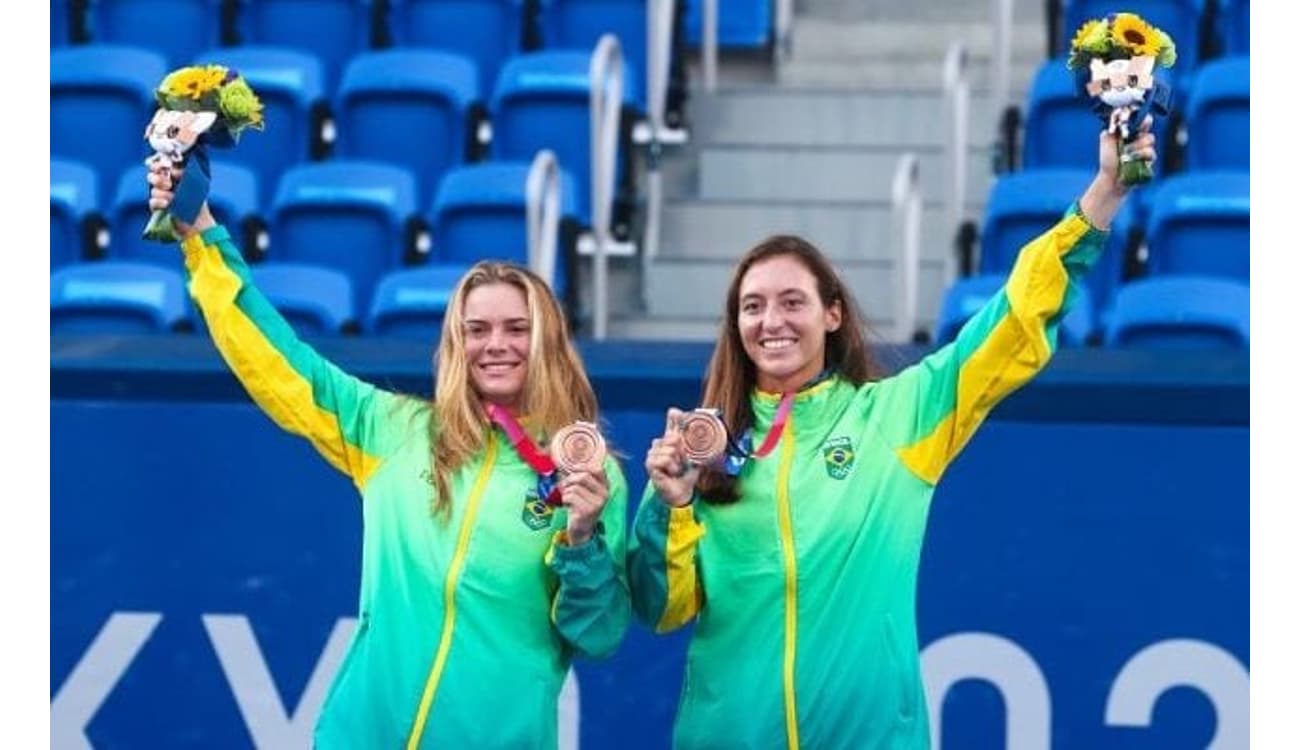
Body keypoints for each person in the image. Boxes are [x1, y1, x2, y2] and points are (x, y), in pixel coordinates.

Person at [628, 122, 1158, 748]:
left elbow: (1013, 319)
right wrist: (672, 505)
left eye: (792, 302)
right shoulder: (702, 448)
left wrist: (1102, 196)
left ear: (832, 314)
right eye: (753, 306)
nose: (771, 321)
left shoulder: (900, 415)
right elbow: (662, 608)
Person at [146, 163, 630, 748]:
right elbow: (280, 358)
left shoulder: (588, 473)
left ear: (547, 338)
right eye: (475, 330)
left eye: (516, 328)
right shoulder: (394, 430)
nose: (495, 345)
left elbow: (599, 635)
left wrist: (582, 541)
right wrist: (200, 233)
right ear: (456, 343)